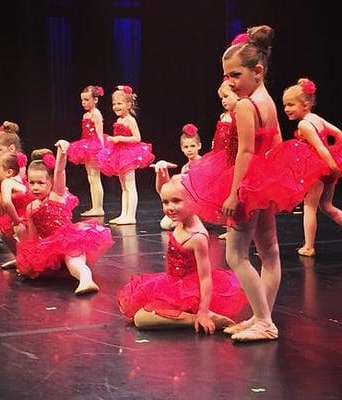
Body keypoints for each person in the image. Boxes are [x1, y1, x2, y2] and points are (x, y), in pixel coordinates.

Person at [182, 25, 286, 342]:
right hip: (264, 181)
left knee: (235, 255)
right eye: (227, 76)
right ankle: (260, 315)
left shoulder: (245, 104)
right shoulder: (266, 99)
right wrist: (274, 178)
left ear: (257, 70)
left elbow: (245, 151)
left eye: (235, 75)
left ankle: (265, 321)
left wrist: (234, 191)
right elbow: (277, 141)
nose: (229, 82)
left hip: (247, 184)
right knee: (270, 251)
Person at [118, 174, 247, 333]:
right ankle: (191, 318)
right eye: (165, 202)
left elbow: (205, 277)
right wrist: (160, 174)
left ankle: (195, 318)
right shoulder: (181, 219)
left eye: (176, 201)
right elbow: (162, 190)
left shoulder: (197, 236)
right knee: (139, 316)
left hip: (189, 292)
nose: (170, 207)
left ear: (193, 201)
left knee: (140, 318)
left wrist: (203, 311)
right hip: (171, 283)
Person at [16, 140, 114, 295]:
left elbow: (59, 171)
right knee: (54, 270)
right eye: (31, 182)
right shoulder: (31, 208)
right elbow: (33, 237)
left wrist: (62, 153)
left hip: (69, 239)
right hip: (51, 248)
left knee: (73, 259)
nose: (35, 187)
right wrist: (30, 261)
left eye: (41, 183)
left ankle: (86, 279)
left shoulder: (56, 195)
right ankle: (74, 274)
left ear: (51, 182)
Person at [283, 78, 342, 257]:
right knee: (327, 206)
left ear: (306, 104)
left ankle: (309, 246)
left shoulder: (304, 124)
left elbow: (320, 147)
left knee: (310, 207)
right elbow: (339, 133)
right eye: (285, 105)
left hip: (318, 169)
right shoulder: (316, 118)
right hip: (328, 167)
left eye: (291, 104)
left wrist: (333, 167)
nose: (286, 109)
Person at [97, 85, 155, 225]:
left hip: (129, 155)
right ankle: (124, 214)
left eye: (119, 103)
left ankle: (131, 216)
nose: (116, 106)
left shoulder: (130, 120)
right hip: (119, 154)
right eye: (114, 104)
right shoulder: (119, 120)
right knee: (123, 187)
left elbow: (137, 138)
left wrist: (119, 139)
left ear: (128, 104)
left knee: (130, 185)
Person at [67, 85, 105, 217]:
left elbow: (100, 133)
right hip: (86, 145)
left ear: (95, 100)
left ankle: (98, 207)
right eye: (82, 100)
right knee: (91, 178)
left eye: (87, 99)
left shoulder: (96, 114)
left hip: (94, 146)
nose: (84, 102)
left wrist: (102, 150)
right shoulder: (86, 115)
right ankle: (95, 206)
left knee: (95, 177)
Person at [156, 123, 202, 230]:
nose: (189, 149)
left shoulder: (202, 163)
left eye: (192, 146)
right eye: (186, 147)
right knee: (165, 225)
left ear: (199, 146)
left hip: (198, 202)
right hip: (186, 201)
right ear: (182, 148)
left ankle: (192, 219)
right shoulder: (185, 167)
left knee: (174, 224)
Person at [212, 79, 240, 239]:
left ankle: (234, 229)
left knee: (233, 194)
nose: (223, 100)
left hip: (234, 160)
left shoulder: (239, 116)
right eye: (222, 98)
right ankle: (229, 227)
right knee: (225, 194)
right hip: (222, 158)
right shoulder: (224, 116)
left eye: (226, 96)